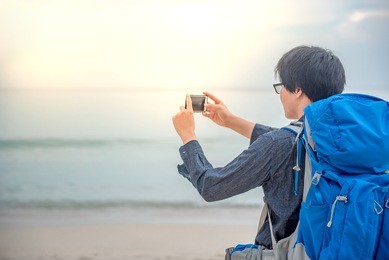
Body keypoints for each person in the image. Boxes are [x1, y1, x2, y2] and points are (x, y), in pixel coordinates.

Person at [172, 45, 346, 249]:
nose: (280, 94)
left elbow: (211, 187)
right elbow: (288, 140)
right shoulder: (339, 138)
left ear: (297, 90)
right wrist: (230, 121)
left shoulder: (278, 144)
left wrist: (188, 136)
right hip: (332, 247)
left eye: (281, 87)